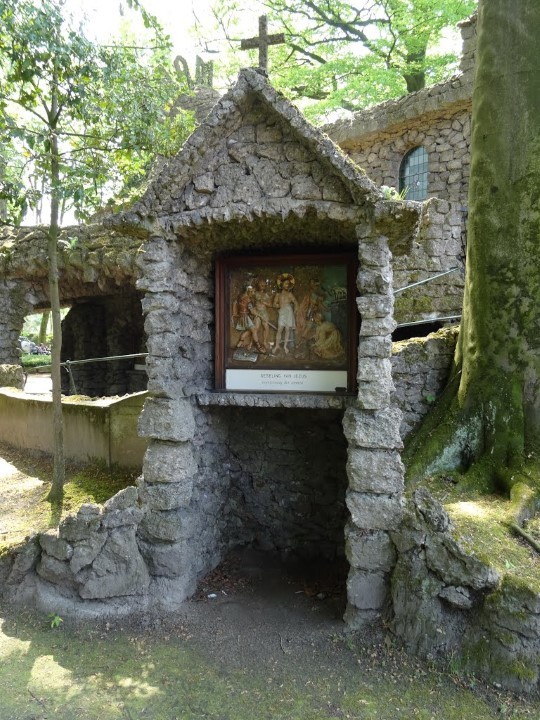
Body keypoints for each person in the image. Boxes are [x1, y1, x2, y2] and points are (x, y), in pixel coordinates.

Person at [272, 274, 298, 355]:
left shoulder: (290, 294)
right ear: (282, 284)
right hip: (282, 312)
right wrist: (280, 306)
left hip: (288, 312)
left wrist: (295, 311)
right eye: (286, 283)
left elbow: (296, 302)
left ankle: (285, 346)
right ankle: (277, 345)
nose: (287, 285)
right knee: (279, 329)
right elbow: (274, 304)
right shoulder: (278, 295)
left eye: (288, 284)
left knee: (287, 330)